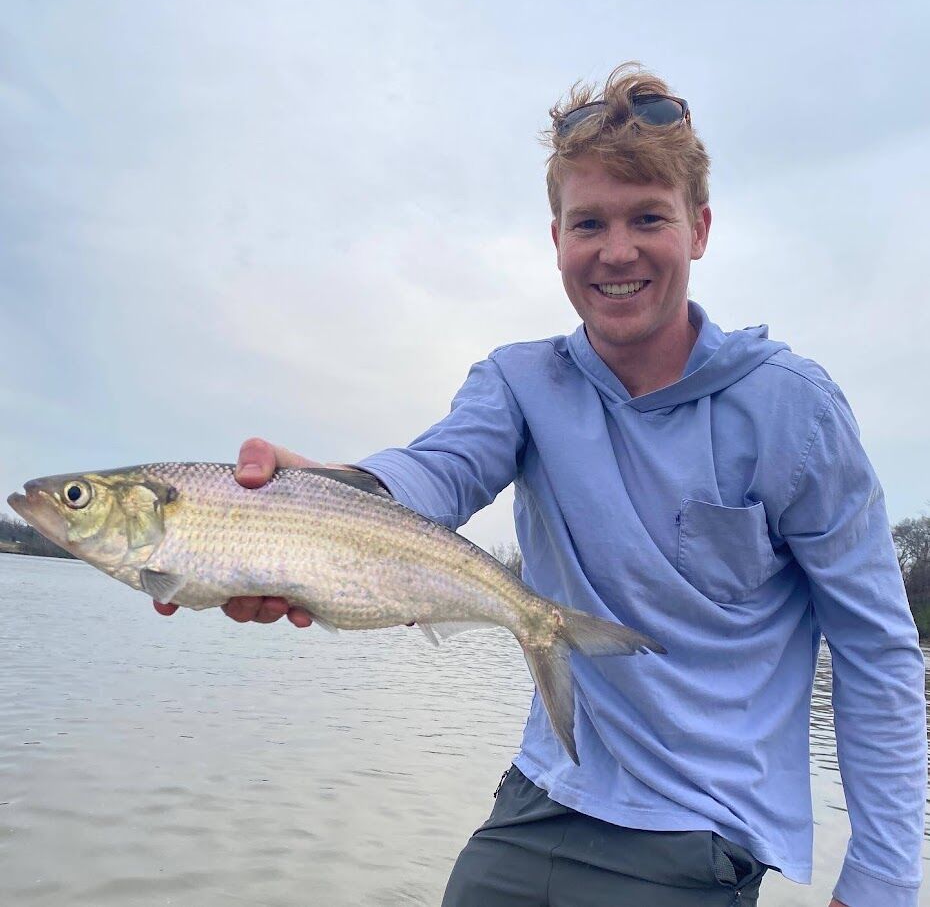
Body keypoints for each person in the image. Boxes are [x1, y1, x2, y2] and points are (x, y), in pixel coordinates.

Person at [154, 64, 926, 906]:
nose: (616, 249)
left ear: (699, 229)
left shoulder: (794, 411)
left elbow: (876, 651)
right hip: (540, 797)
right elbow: (436, 471)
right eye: (588, 221)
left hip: (699, 833)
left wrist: (882, 879)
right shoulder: (520, 384)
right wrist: (327, 496)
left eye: (648, 219)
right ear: (555, 237)